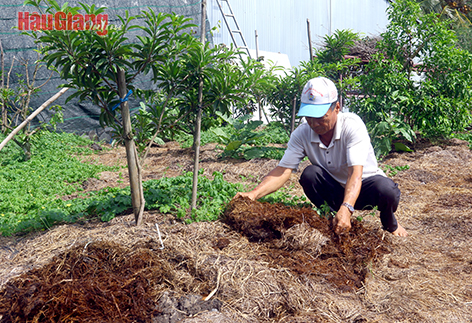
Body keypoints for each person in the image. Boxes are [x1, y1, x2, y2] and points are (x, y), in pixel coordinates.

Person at [235, 76, 408, 237]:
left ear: (337, 108)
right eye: (309, 117)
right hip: (333, 189)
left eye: (320, 116)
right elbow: (283, 170)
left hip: (364, 188)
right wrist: (254, 194)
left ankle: (389, 223)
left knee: (387, 190)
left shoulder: (352, 126)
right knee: (310, 174)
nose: (314, 123)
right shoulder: (301, 134)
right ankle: (330, 216)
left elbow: (355, 174)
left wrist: (347, 208)